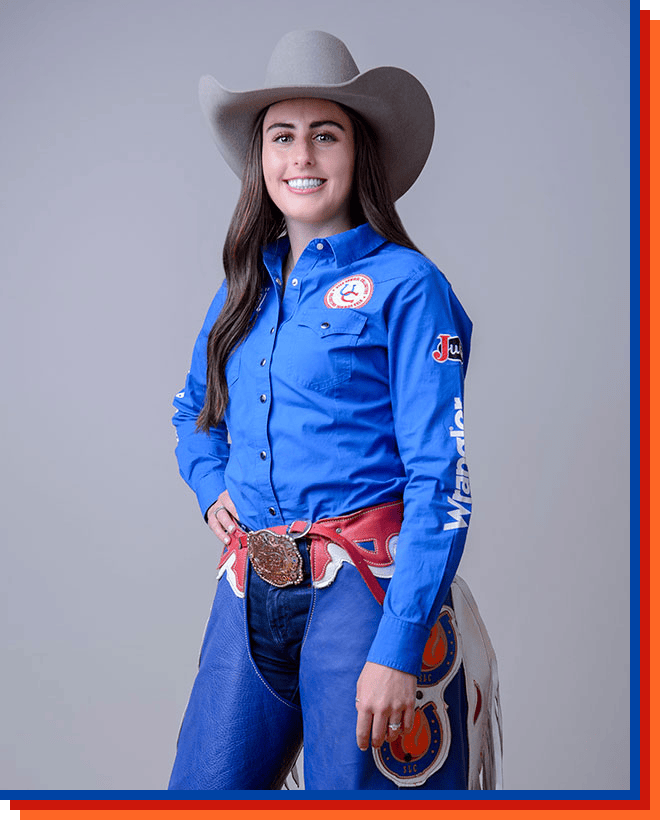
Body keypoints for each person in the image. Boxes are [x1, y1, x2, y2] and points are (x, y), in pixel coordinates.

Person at [168, 29, 501, 791]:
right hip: (249, 587)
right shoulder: (243, 291)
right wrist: (208, 481)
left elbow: (439, 478)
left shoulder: (410, 286)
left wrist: (399, 646)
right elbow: (194, 409)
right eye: (283, 136)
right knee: (197, 796)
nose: (303, 156)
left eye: (326, 135)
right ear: (261, 158)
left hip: (364, 592)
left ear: (360, 154)